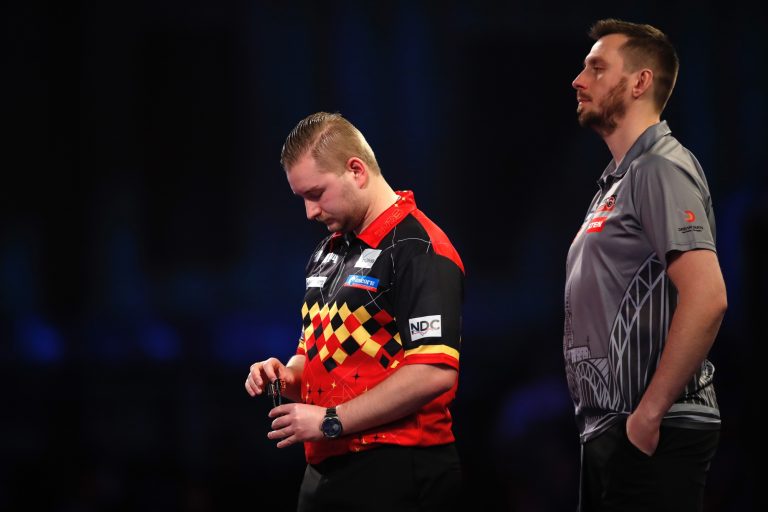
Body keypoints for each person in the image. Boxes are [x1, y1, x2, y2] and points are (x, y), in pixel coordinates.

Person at [245, 112, 465, 512]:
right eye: (302, 198)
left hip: (399, 468)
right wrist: (287, 375)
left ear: (356, 171)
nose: (310, 212)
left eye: (316, 193)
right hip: (326, 468)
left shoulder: (419, 248)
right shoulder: (327, 253)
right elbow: (313, 355)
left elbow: (434, 371)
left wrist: (330, 419)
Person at [564, 19, 728, 511]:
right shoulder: (617, 181)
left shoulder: (660, 167)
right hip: (612, 429)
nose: (579, 80)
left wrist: (649, 415)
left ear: (640, 82)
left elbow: (708, 297)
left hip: (655, 429)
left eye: (597, 68)